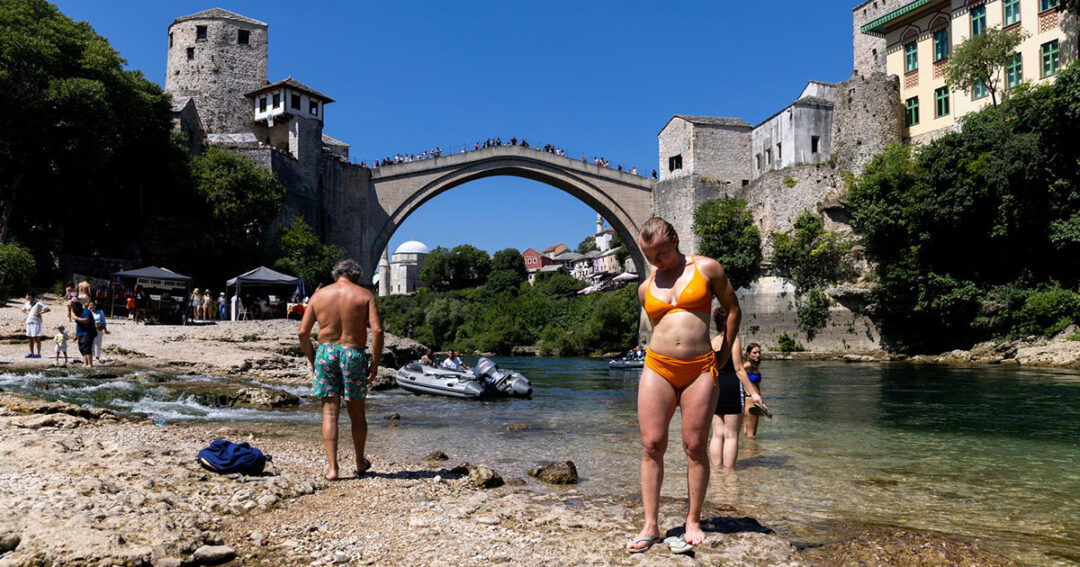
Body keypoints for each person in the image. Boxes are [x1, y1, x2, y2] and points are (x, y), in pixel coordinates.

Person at [627, 216, 741, 555]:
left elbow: (733, 310)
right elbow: (660, 328)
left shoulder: (707, 269)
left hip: (700, 368)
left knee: (694, 445)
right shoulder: (645, 287)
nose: (656, 261)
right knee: (652, 444)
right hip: (657, 366)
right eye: (649, 256)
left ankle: (693, 520)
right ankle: (650, 524)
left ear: (675, 240)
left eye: (660, 253)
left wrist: (722, 355)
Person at [298, 259, 383, 481]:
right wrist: (374, 363)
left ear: (336, 274)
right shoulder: (365, 295)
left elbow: (302, 333)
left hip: (326, 352)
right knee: (357, 413)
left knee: (329, 412)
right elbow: (378, 330)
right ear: (356, 275)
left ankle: (332, 469)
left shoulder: (319, 295)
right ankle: (359, 462)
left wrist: (313, 359)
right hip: (353, 353)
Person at [708, 308, 763, 470]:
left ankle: (717, 472)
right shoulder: (733, 340)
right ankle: (729, 473)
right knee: (731, 435)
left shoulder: (712, 341)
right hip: (732, 386)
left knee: (717, 434)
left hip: (715, 386)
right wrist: (753, 393)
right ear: (729, 321)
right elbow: (739, 369)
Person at [742, 342, 765, 438]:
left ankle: (746, 452)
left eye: (759, 352)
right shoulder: (747, 366)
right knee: (751, 436)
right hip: (750, 401)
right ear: (748, 354)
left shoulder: (753, 367)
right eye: (754, 353)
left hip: (752, 401)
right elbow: (737, 375)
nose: (758, 355)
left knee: (747, 432)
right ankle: (752, 452)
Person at [70, 300, 97, 368]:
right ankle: (85, 363)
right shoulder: (78, 313)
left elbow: (87, 320)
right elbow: (78, 325)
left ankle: (90, 364)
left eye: (73, 308)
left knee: (87, 348)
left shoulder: (86, 311)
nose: (73, 310)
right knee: (81, 348)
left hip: (88, 333)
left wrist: (76, 318)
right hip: (80, 333)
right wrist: (76, 335)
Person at [23, 292, 50, 358]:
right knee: (30, 338)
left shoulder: (38, 303)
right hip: (29, 321)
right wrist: (28, 314)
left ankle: (38, 353)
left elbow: (48, 309)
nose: (26, 297)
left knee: (36, 338)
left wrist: (40, 313)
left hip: (36, 322)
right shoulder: (27, 303)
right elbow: (23, 309)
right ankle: (31, 353)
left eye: (27, 295)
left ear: (31, 296)